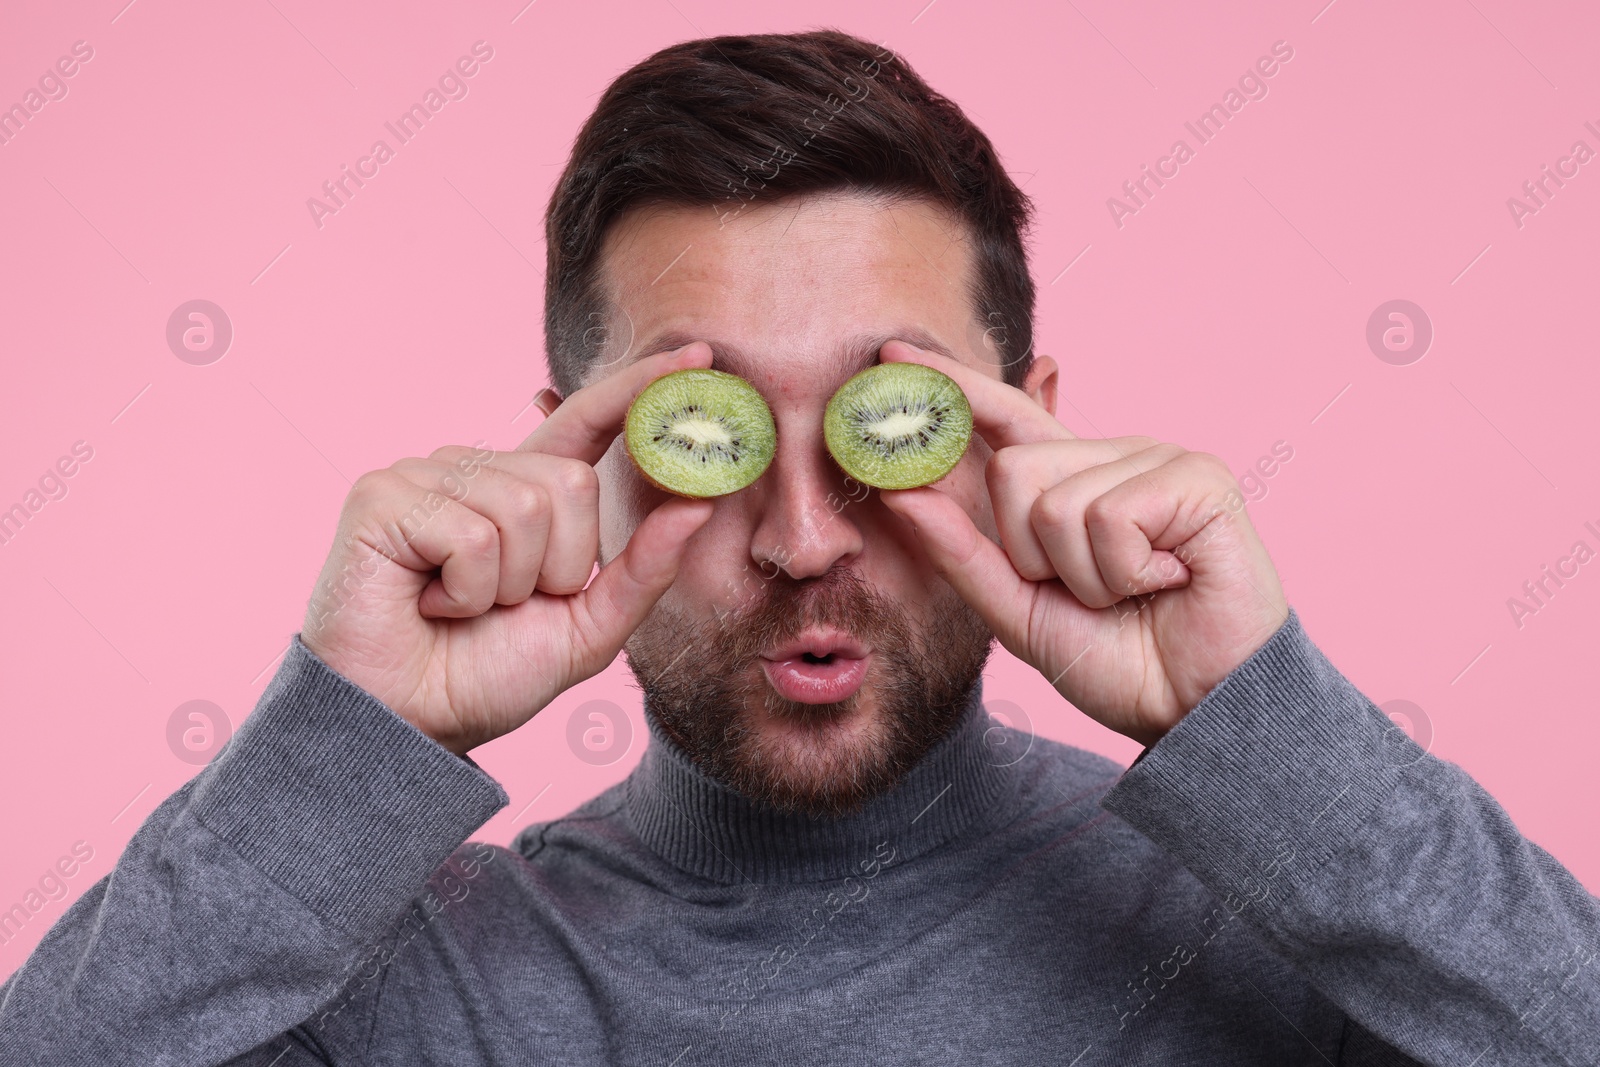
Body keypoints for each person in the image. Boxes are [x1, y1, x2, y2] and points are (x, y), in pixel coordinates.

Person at [2, 28, 1594, 1066]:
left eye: (883, 421)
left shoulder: (1291, 941)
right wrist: (333, 748)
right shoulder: (415, 992)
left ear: (1023, 430)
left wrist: (1270, 729)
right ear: (578, 460)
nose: (804, 536)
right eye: (712, 435)